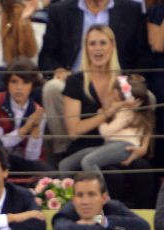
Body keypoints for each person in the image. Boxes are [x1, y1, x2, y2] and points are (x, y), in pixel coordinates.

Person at [38, 0, 151, 158]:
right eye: (92, 44)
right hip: (73, 78)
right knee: (52, 88)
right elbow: (47, 55)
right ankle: (62, 149)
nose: (98, 48)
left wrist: (136, 76)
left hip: (118, 78)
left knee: (148, 96)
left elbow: (143, 51)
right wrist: (58, 69)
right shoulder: (60, 10)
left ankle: (136, 146)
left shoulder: (132, 8)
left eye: (103, 43)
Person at [58, 74, 153, 177]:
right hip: (109, 145)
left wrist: (101, 115)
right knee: (65, 164)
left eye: (117, 91)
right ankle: (66, 192)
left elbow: (106, 132)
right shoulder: (121, 110)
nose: (113, 93)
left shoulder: (127, 113)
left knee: (89, 161)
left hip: (124, 146)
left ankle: (101, 191)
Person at [0, 58, 53, 174]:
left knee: (46, 172)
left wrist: (35, 131)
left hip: (22, 162)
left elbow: (32, 158)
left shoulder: (38, 112)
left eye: (25, 83)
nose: (19, 88)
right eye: (14, 81)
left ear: (32, 85)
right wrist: (25, 129)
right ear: (7, 83)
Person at [51, 171, 150, 230]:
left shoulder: (114, 207)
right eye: (80, 195)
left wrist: (103, 221)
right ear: (73, 199)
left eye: (91, 194)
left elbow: (143, 228)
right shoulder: (67, 212)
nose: (85, 201)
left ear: (104, 198)